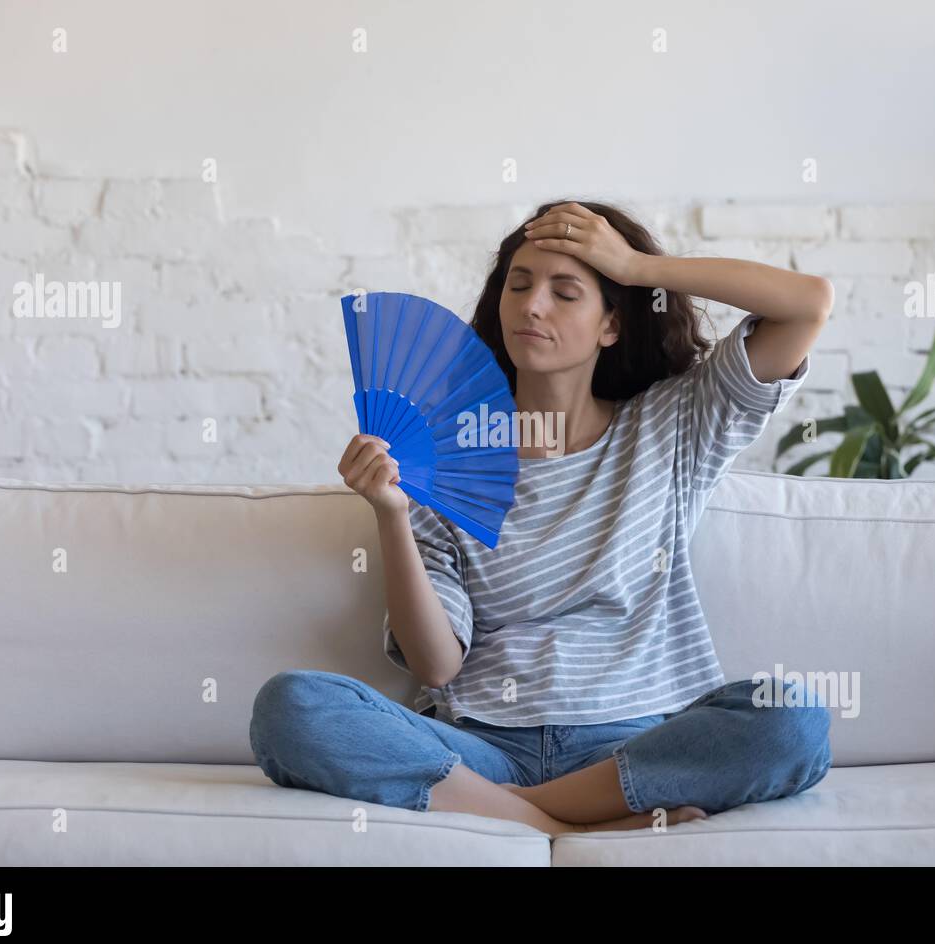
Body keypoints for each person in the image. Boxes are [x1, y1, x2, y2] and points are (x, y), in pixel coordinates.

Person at [250, 199, 835, 838]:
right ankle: (570, 826)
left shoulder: (672, 425)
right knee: (292, 706)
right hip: (483, 749)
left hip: (637, 746)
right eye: (519, 285)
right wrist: (392, 514)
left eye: (565, 292)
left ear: (611, 324)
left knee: (791, 717)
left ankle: (519, 813)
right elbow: (436, 666)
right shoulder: (446, 466)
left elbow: (807, 304)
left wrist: (637, 265)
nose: (531, 307)